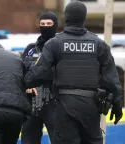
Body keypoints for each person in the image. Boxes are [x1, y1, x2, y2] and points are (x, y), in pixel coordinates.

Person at [24, 1, 123, 144]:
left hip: (65, 105)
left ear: (66, 17)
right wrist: (117, 103)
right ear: (84, 18)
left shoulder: (55, 43)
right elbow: (112, 78)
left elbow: (38, 72)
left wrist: (24, 82)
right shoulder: (98, 44)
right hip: (91, 106)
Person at [21, 11, 58, 144]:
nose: (45, 26)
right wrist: (26, 87)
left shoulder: (60, 47)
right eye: (42, 24)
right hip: (32, 101)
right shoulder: (31, 49)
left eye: (49, 24)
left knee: (58, 138)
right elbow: (20, 71)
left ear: (56, 25)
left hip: (54, 100)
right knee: (28, 138)